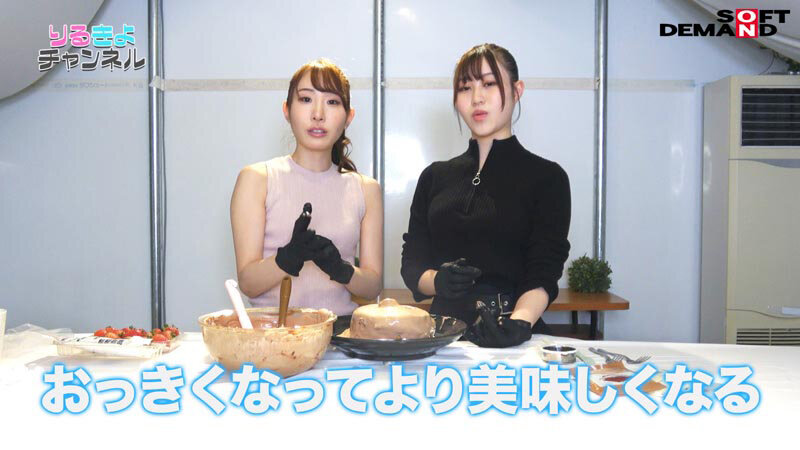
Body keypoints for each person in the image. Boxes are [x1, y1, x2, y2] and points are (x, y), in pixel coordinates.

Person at [400, 43, 571, 348]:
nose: (477, 97)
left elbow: (543, 271)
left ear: (516, 90)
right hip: (443, 338)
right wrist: (438, 281)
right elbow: (412, 265)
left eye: (489, 84)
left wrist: (519, 322)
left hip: (512, 333)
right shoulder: (434, 177)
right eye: (465, 88)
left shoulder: (547, 178)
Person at [231, 58, 383, 316]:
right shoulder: (257, 179)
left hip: (340, 331)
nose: (318, 114)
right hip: (274, 332)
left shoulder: (366, 189)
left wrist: (340, 268)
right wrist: (287, 257)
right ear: (287, 110)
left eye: (332, 102)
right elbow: (248, 283)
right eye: (306, 99)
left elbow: (372, 286)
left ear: (349, 117)